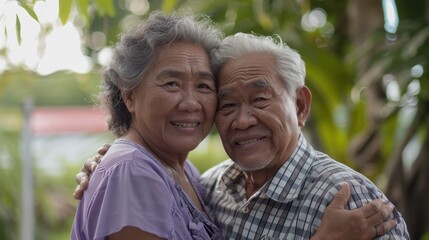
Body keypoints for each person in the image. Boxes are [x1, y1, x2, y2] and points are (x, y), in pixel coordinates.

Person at [72, 12, 399, 240]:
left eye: (202, 86)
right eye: (228, 104)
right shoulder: (213, 187)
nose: (242, 120)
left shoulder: (353, 204)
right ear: (129, 97)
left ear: (299, 106)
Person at [71, 11, 224, 240]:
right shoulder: (132, 172)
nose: (191, 103)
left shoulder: (183, 169)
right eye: (172, 84)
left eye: (203, 86)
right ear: (129, 97)